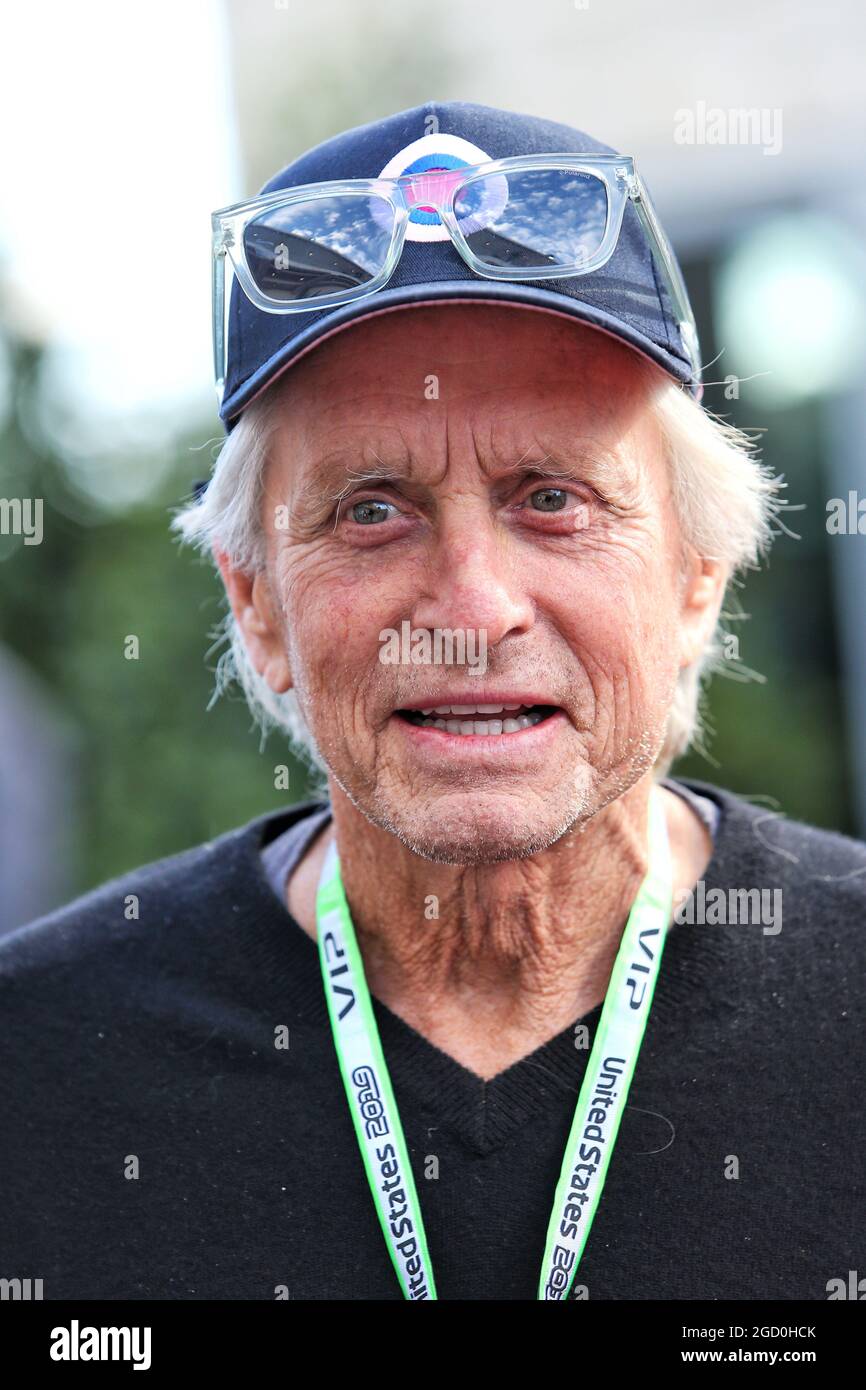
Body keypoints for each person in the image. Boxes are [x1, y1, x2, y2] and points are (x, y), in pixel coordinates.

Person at [1, 101, 863, 1302]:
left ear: (694, 576)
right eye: (370, 509)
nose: (469, 608)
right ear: (255, 603)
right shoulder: (36, 1065)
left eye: (551, 497)